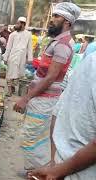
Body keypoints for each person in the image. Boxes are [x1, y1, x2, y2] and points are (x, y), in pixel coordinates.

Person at [13, 2, 80, 177]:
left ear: (67, 22)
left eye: (57, 17)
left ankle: (40, 173)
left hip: (45, 99)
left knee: (31, 137)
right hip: (42, 97)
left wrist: (25, 98)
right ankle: (35, 170)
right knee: (36, 136)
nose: (52, 20)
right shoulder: (58, 41)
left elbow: (51, 77)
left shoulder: (63, 45)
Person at [28, 52, 96, 180]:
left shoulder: (88, 61)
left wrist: (57, 168)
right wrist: (56, 166)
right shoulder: (89, 61)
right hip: (67, 166)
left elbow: (58, 113)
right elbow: (58, 112)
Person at [3, 17, 33, 96]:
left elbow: (30, 47)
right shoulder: (12, 35)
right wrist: (5, 58)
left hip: (22, 58)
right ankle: (9, 91)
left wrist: (30, 58)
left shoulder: (28, 34)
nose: (16, 25)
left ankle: (12, 88)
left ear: (23, 24)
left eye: (18, 23)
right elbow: (8, 47)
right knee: (10, 74)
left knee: (18, 75)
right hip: (12, 57)